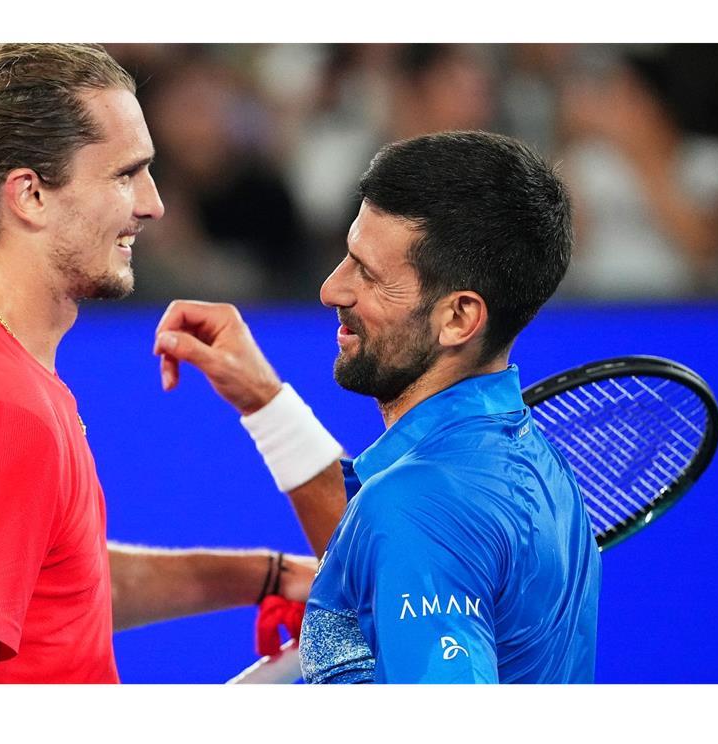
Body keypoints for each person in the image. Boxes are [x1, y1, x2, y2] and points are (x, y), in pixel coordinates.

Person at [0, 43, 313, 684]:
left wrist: (265, 576)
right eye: (125, 174)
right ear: (29, 195)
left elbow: (57, 586)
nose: (154, 203)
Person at [154, 131, 602, 683]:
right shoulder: (533, 468)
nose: (331, 289)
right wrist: (265, 402)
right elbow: (381, 531)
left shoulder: (416, 507)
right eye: (348, 255)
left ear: (459, 317)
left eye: (368, 273)